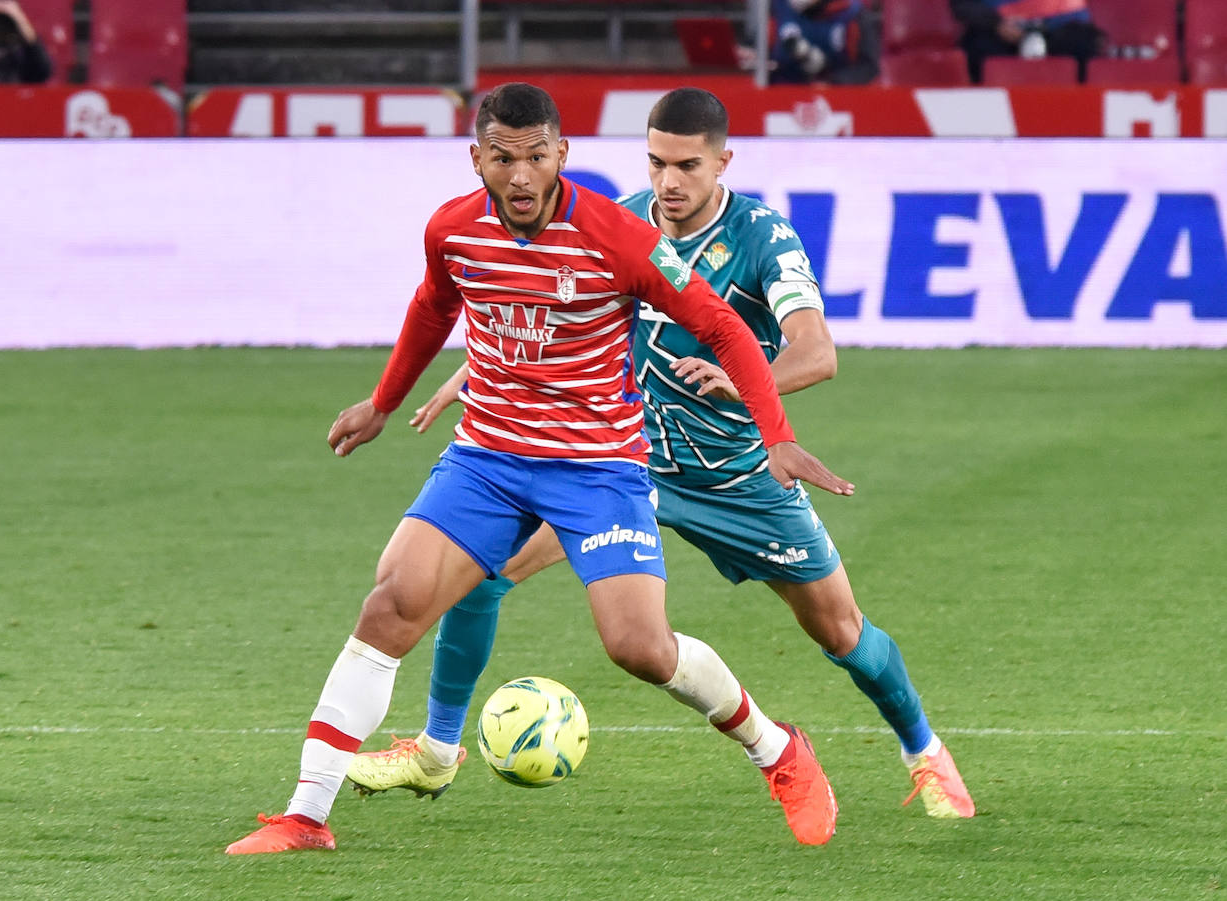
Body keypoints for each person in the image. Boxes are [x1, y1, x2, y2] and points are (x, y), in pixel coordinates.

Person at [226, 82, 855, 855]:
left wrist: (777, 433)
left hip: (596, 467)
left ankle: (778, 749)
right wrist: (384, 401)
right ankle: (306, 814)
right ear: (477, 159)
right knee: (390, 605)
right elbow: (434, 305)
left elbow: (721, 325)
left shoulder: (618, 238)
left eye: (534, 157)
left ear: (562, 154)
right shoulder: (453, 229)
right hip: (487, 456)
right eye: (501, 158)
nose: (519, 176)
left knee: (639, 647)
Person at [347, 87, 975, 821]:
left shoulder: (762, 238)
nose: (668, 182)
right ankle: (437, 749)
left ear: (722, 162)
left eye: (687, 165)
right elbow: (544, 313)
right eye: (655, 163)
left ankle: (924, 751)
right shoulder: (616, 227)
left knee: (842, 631)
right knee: (481, 577)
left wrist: (745, 385)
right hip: (623, 468)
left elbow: (817, 352)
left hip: (736, 475)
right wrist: (471, 373)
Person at [949, 0, 1106, 84]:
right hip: (997, 31)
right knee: (976, 48)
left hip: (1062, 30)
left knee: (1084, 45)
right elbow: (962, 5)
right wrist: (996, 24)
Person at [767, 0, 880, 85]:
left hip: (836, 99)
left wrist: (832, 82)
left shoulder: (854, 15)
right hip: (782, 93)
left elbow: (868, 68)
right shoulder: (777, 8)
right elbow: (761, 55)